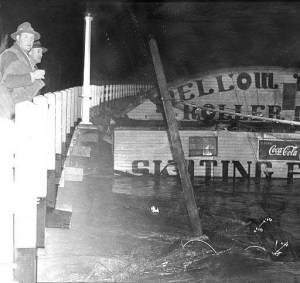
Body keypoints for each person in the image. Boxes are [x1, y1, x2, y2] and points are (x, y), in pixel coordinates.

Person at [0, 22, 45, 119]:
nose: (29, 41)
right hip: (7, 113)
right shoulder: (12, 55)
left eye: (31, 38)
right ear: (18, 38)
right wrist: (32, 76)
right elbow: (8, 81)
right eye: (26, 37)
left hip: (17, 111)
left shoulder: (23, 57)